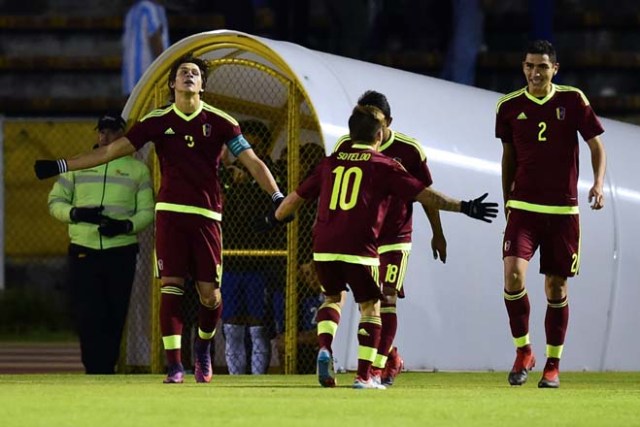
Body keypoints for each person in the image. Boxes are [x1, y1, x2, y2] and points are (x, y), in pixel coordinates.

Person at [34, 53, 288, 384]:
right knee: (171, 288)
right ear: (172, 83)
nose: (189, 76)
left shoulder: (223, 122)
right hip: (169, 214)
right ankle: (174, 365)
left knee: (210, 296)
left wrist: (278, 197)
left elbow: (253, 161)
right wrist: (61, 165)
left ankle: (202, 348)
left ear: (202, 84)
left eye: (195, 73)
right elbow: (110, 151)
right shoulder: (156, 120)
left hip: (208, 217)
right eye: (183, 72)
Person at [259, 104, 498, 389]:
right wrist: (465, 206)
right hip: (361, 246)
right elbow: (425, 195)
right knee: (372, 307)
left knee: (332, 297)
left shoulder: (330, 162)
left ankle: (325, 347)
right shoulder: (385, 166)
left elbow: (296, 197)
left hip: (324, 245)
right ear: (380, 134)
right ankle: (364, 376)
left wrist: (273, 219)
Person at [495, 40, 606, 388]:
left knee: (555, 288)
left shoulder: (573, 100)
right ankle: (523, 350)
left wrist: (598, 184)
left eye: (542, 66)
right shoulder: (509, 106)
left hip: (562, 210)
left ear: (554, 69)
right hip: (524, 208)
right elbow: (508, 158)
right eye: (529, 66)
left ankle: (553, 363)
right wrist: (507, 201)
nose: (535, 72)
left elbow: (596, 145)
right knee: (513, 276)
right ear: (523, 68)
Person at [332, 90, 446, 387]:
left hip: (395, 236)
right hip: (360, 239)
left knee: (387, 297)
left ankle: (376, 368)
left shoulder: (409, 150)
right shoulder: (346, 145)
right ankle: (390, 355)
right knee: (368, 305)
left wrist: (438, 233)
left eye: (374, 117)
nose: (368, 121)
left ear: (388, 121)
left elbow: (426, 195)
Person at [47, 112, 154, 374]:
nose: (105, 136)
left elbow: (147, 211)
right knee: (87, 312)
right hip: (85, 249)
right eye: (101, 131)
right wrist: (75, 213)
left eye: (112, 131)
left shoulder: (138, 169)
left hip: (121, 250)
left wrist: (126, 226)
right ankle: (93, 367)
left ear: (123, 134)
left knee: (115, 311)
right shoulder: (77, 164)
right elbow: (55, 201)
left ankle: (107, 367)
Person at [221, 120, 280, 375]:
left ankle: (258, 377)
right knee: (231, 323)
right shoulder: (227, 174)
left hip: (260, 262)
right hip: (230, 260)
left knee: (258, 325)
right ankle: (235, 378)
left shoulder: (272, 175)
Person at [122, 0, 169, 96]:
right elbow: (155, 39)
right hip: (145, 79)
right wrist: (167, 69)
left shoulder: (133, 10)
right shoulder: (149, 9)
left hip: (130, 80)